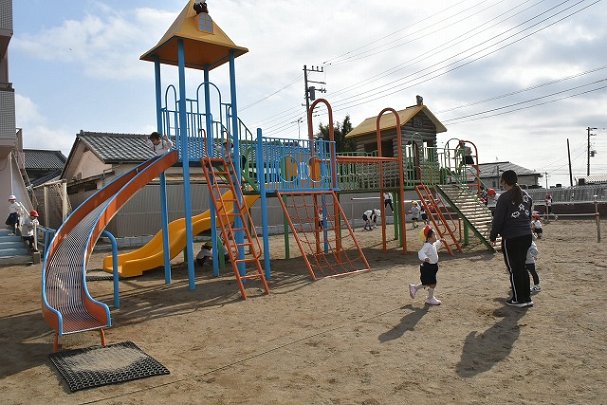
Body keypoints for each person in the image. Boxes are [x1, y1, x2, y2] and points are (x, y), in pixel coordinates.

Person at [490, 170, 534, 308]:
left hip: (512, 237)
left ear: (504, 181)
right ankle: (526, 297)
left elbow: (498, 219)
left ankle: (518, 299)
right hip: (526, 235)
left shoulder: (504, 197)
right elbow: (529, 215)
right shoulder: (526, 195)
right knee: (522, 267)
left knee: (514, 269)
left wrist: (493, 235)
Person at [409, 225, 445, 305]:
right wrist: (425, 258)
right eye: (434, 235)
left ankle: (415, 288)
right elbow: (421, 252)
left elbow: (436, 246)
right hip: (428, 267)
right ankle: (430, 298)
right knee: (432, 283)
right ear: (429, 238)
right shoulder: (427, 245)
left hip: (433, 267)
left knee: (427, 283)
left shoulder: (432, 244)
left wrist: (440, 241)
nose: (436, 236)